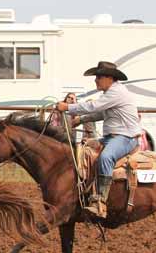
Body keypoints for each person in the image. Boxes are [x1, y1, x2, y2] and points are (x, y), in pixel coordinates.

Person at [57, 61, 141, 219]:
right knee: (83, 149)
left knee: (105, 157)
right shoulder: (111, 93)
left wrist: (67, 108)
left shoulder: (116, 93)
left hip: (126, 137)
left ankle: (101, 200)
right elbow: (101, 114)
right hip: (114, 137)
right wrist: (81, 120)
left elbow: (93, 107)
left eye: (99, 76)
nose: (95, 80)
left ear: (110, 78)